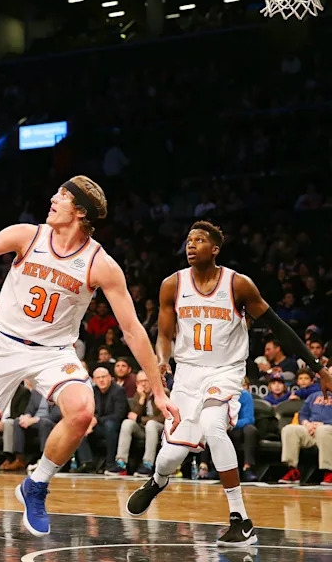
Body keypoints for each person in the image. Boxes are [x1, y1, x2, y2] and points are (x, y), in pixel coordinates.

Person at [0, 177, 177, 552]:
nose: (52, 198)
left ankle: (36, 484)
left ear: (80, 212)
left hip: (53, 351)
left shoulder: (101, 265)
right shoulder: (27, 235)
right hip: (2, 344)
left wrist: (160, 392)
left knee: (83, 411)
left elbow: (132, 330)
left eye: (62, 197)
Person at [126, 221, 332, 547]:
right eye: (188, 240)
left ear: (215, 249)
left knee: (212, 424)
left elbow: (278, 327)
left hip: (225, 371)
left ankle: (240, 518)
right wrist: (162, 359)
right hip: (188, 374)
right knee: (171, 456)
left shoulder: (238, 285)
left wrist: (318, 367)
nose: (191, 245)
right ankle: (158, 480)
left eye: (199, 240)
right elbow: (164, 334)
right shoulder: (171, 285)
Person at [111, 371, 165, 477]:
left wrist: (140, 419)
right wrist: (141, 399)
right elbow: (133, 416)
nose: (143, 384)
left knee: (151, 424)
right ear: (137, 384)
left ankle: (147, 464)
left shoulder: (163, 393)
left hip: (161, 429)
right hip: (144, 429)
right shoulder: (138, 395)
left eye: (146, 381)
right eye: (140, 382)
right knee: (127, 423)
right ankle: (121, 463)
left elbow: (162, 418)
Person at [278, 389, 332, 485]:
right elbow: (302, 414)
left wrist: (324, 423)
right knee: (289, 429)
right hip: (311, 429)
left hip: (328, 429)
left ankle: (329, 472)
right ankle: (293, 470)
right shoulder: (313, 396)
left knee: (323, 430)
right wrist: (307, 424)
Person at [81, 367, 129, 473]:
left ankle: (110, 463)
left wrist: (96, 420)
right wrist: (90, 421)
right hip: (99, 425)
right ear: (93, 380)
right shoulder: (93, 391)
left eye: (103, 377)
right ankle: (87, 462)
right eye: (98, 378)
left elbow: (118, 415)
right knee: (80, 425)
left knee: (110, 425)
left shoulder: (118, 390)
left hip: (116, 425)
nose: (101, 380)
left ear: (110, 378)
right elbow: (89, 410)